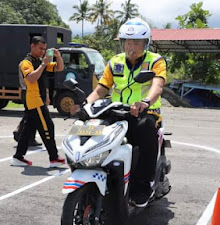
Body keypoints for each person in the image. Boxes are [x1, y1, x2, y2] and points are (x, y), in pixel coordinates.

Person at [71, 18, 167, 207]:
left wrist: (145, 102)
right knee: (84, 129)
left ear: (145, 43)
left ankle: (142, 187)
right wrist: (86, 104)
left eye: (137, 42)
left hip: (144, 113)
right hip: (115, 111)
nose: (131, 46)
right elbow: (102, 88)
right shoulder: (115, 62)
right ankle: (85, 169)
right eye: (127, 42)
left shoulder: (155, 61)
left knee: (146, 129)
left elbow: (158, 86)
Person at [10, 36, 65, 167]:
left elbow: (59, 68)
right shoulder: (26, 63)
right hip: (34, 100)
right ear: (32, 46)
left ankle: (18, 157)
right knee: (47, 127)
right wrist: (43, 64)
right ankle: (53, 157)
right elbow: (31, 79)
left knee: (28, 129)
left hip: (38, 99)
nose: (42, 51)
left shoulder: (41, 61)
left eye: (44, 49)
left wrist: (58, 56)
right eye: (40, 48)